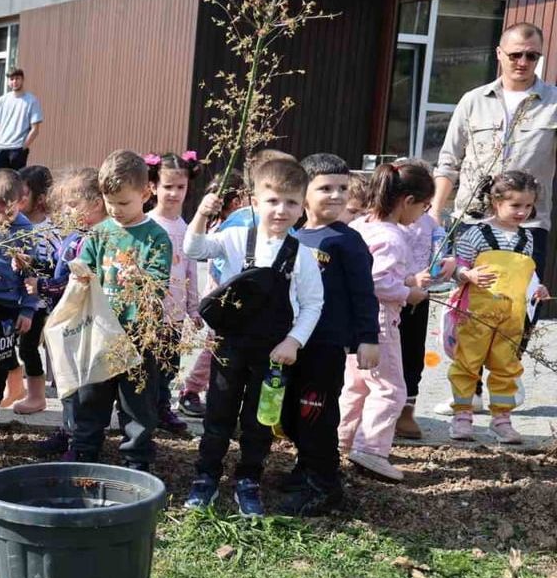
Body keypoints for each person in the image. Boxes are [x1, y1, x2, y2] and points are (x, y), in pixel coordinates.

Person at [183, 158, 323, 517]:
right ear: (254, 201)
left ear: (302, 207)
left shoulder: (302, 255)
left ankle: (248, 478)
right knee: (219, 413)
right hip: (230, 346)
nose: (281, 210)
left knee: (260, 420)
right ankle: (207, 476)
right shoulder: (233, 238)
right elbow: (193, 249)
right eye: (273, 200)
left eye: (291, 202)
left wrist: (294, 342)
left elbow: (312, 304)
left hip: (274, 353)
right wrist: (201, 213)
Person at [278, 153, 380, 515]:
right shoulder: (293, 235)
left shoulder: (347, 241)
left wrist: (368, 338)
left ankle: (324, 484)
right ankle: (305, 466)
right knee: (290, 413)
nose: (336, 195)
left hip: (325, 345)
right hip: (293, 343)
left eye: (342, 188)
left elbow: (364, 293)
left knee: (315, 413)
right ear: (303, 192)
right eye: (326, 188)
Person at [70, 151, 172, 469]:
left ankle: (136, 457)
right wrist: (80, 273)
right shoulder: (101, 232)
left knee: (137, 401)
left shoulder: (156, 238)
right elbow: (84, 264)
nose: (116, 210)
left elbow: (159, 285)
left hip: (138, 333)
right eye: (109, 202)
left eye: (124, 203)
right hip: (101, 330)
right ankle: (85, 449)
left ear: (145, 193)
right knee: (91, 396)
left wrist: (140, 278)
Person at [433, 22, 557, 277]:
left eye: (531, 55)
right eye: (515, 54)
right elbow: (449, 161)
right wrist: (434, 212)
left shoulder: (553, 102)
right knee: (468, 306)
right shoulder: (473, 100)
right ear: (499, 53)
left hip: (527, 225)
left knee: (519, 309)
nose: (523, 61)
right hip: (472, 220)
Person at [338, 162, 437, 482]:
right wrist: (409, 293)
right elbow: (378, 283)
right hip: (379, 324)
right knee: (391, 388)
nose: (422, 215)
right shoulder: (393, 237)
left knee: (356, 385)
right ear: (408, 201)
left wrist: (406, 279)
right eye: (424, 207)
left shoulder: (361, 225)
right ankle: (371, 450)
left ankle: (343, 439)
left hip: (354, 322)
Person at [446, 171, 549, 444]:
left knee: (507, 367)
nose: (522, 212)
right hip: (475, 316)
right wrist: (467, 275)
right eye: (515, 205)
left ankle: (501, 419)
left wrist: (538, 288)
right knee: (468, 364)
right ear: (496, 201)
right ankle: (462, 415)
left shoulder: (527, 239)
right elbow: (456, 267)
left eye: (528, 206)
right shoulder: (477, 234)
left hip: (511, 318)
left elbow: (528, 273)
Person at [35, 167, 106, 457]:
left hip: (82, 323)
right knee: (63, 381)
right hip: (61, 322)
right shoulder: (74, 236)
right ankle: (67, 430)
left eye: (74, 205)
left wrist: (42, 285)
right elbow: (57, 266)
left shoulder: (96, 239)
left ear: (97, 203)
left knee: (79, 386)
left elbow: (73, 282)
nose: (67, 210)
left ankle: (81, 440)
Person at [176, 174, 248, 419]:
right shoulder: (227, 227)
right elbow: (216, 264)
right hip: (222, 294)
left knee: (214, 345)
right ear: (237, 200)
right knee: (214, 346)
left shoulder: (232, 223)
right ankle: (191, 390)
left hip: (226, 294)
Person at [0, 168, 41, 426]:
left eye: (8, 212)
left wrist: (28, 309)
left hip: (6, 304)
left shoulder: (25, 230)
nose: (1, 219)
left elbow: (33, 274)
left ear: (20, 203)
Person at [146, 152, 202, 435]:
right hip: (148, 313)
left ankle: (162, 409)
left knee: (169, 364)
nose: (174, 193)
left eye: (180, 187)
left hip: (175, 313)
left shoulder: (187, 228)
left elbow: (191, 272)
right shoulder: (146, 224)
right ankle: (142, 410)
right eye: (168, 186)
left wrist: (194, 308)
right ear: (153, 186)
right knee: (147, 366)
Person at [397, 160, 446, 440]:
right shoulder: (380, 225)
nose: (425, 210)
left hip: (418, 300)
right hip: (386, 299)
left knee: (412, 355)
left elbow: (439, 256)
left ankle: (406, 410)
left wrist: (445, 266)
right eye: (423, 204)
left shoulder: (430, 224)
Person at [5, 164, 57, 415]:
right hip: (16, 299)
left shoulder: (50, 231)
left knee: (28, 347)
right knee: (10, 344)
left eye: (23, 194)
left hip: (39, 301)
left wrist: (32, 266)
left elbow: (53, 266)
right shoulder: (13, 224)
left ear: (40, 199)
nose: (17, 199)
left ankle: (37, 395)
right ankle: (16, 388)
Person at [0, 67, 43, 173]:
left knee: (16, 181)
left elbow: (35, 129)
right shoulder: (1, 101)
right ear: (8, 81)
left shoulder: (31, 101)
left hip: (17, 149)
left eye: (17, 78)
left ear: (22, 80)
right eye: (11, 79)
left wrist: (23, 147)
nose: (14, 81)